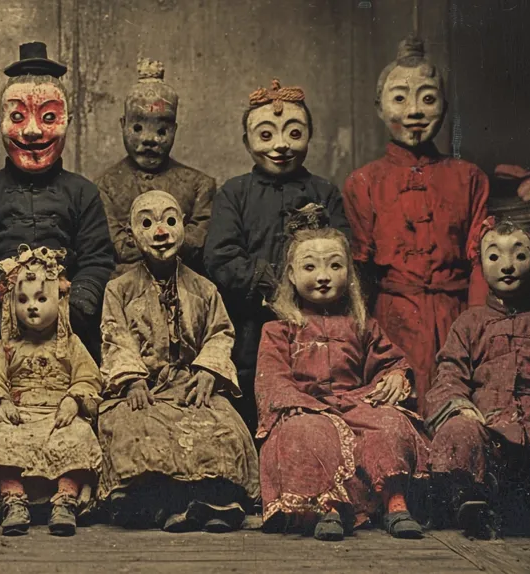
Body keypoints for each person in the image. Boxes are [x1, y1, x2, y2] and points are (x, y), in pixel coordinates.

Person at [255, 215, 428, 541]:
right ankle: (327, 507)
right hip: (307, 406)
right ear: (291, 275)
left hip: (354, 401)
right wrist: (299, 404)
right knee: (309, 431)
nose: (323, 276)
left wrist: (393, 376)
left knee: (390, 423)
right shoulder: (278, 329)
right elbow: (272, 379)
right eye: (310, 268)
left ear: (348, 273)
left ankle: (394, 502)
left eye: (334, 266)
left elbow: (391, 360)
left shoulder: (362, 325)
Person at [343, 36, 489, 413]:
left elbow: (479, 262)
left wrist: (475, 327)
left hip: (459, 317)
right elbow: (359, 272)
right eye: (399, 98)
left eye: (427, 98)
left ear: (445, 105)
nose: (415, 111)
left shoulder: (470, 177)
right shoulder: (363, 181)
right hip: (392, 321)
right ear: (378, 107)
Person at [98, 191, 259, 533]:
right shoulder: (119, 289)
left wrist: (207, 370)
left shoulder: (204, 288)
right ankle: (160, 502)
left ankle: (213, 499)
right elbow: (114, 335)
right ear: (132, 233)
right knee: (136, 426)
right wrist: (132, 379)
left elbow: (219, 332)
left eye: (170, 221)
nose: (161, 233)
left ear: (184, 227)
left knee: (223, 425)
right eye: (147, 223)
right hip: (146, 386)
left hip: (190, 383)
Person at [426, 219, 530, 544]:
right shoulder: (469, 322)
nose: (507, 266)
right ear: (481, 264)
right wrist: (461, 406)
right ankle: (472, 502)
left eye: (519, 256)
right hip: (490, 423)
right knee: (457, 432)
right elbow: (449, 370)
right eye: (494, 257)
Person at [0, 41, 114, 361]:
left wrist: (73, 310)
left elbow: (98, 261)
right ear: (0, 120)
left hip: (71, 335)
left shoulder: (83, 193)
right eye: (17, 116)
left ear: (68, 120)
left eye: (49, 116)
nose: (33, 131)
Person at [204, 79, 349, 429]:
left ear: (309, 136)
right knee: (252, 397)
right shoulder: (234, 193)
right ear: (246, 142)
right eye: (266, 135)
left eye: (294, 134)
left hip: (317, 320)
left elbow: (346, 250)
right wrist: (274, 285)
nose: (281, 145)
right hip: (250, 323)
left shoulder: (325, 192)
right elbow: (220, 258)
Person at [0, 246, 103, 537]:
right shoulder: (8, 347)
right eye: (23, 300)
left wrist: (74, 400)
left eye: (41, 298)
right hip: (20, 415)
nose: (32, 306)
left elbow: (89, 377)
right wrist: (1, 402)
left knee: (79, 435)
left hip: (58, 415)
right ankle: (13, 499)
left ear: (59, 300)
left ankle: (65, 499)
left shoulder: (71, 344)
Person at [95, 58, 215, 278]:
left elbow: (197, 244)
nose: (149, 139)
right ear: (123, 125)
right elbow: (118, 247)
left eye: (161, 130)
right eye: (138, 128)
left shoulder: (200, 186)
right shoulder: (105, 186)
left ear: (174, 129)